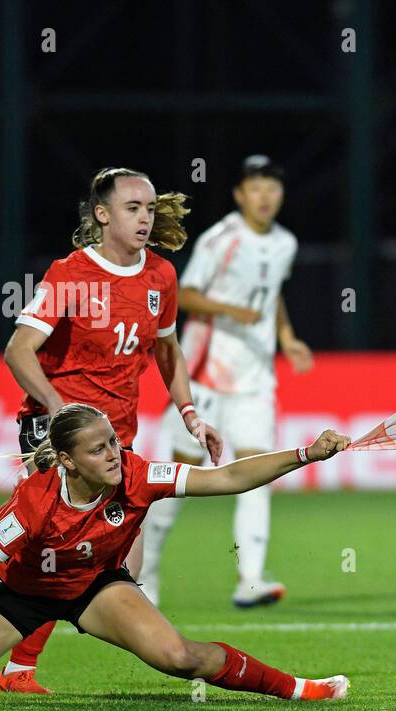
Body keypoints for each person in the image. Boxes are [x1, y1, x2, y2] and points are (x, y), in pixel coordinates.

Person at [0, 404, 350, 707]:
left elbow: (225, 479)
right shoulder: (33, 503)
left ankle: (301, 688)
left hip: (94, 586)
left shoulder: (138, 474)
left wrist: (305, 454)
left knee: (180, 657)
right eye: (98, 451)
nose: (115, 456)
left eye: (114, 444)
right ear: (68, 462)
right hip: (17, 595)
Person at [0, 166, 223, 694]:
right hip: (62, 438)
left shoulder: (160, 276)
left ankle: (19, 662)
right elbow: (18, 349)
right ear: (102, 214)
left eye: (148, 209)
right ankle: (5, 655)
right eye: (132, 208)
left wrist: (191, 414)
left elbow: (167, 349)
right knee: (62, 552)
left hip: (116, 440)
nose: (145, 218)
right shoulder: (70, 275)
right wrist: (57, 412)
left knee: (120, 556)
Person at [139, 155, 313, 610]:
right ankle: (146, 573)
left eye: (272, 188)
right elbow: (189, 293)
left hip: (256, 379)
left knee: (258, 475)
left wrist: (288, 338)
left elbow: (272, 294)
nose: (265, 196)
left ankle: (250, 579)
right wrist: (232, 311)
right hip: (206, 377)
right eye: (256, 187)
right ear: (240, 194)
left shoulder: (285, 243)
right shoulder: (222, 239)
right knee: (175, 478)